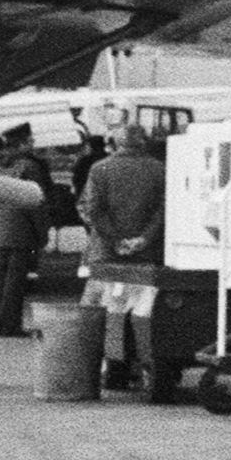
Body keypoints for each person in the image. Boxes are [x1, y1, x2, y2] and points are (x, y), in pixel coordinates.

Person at [78, 122, 170, 392]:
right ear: (144, 142)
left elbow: (93, 211)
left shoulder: (100, 169)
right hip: (147, 254)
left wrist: (115, 239)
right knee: (143, 312)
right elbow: (163, 210)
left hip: (107, 255)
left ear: (116, 143)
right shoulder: (159, 169)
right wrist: (144, 238)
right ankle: (144, 366)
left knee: (109, 310)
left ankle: (113, 370)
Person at [0, 129, 51, 336]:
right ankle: (11, 326)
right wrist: (42, 233)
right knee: (15, 282)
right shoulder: (29, 167)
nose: (33, 144)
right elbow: (35, 202)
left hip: (0, 229)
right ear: (20, 144)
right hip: (22, 230)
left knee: (1, 280)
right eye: (29, 141)